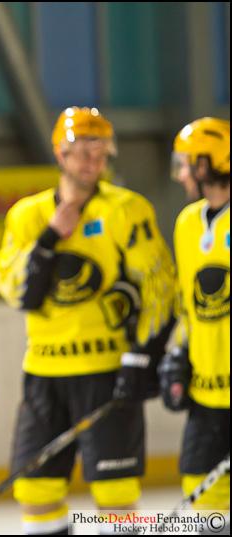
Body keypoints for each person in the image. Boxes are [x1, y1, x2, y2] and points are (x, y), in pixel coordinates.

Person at [0, 107, 176, 535]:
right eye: (81, 151)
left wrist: (143, 356)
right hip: (45, 373)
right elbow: (18, 292)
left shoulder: (126, 209)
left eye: (100, 151)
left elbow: (160, 288)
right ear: (61, 153)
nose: (92, 160)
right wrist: (49, 238)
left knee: (115, 492)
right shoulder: (28, 215)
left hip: (106, 371)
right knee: (35, 491)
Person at [160, 117, 229, 518]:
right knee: (204, 505)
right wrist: (180, 352)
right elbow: (188, 306)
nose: (181, 174)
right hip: (206, 396)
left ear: (206, 164)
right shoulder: (187, 223)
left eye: (185, 164)